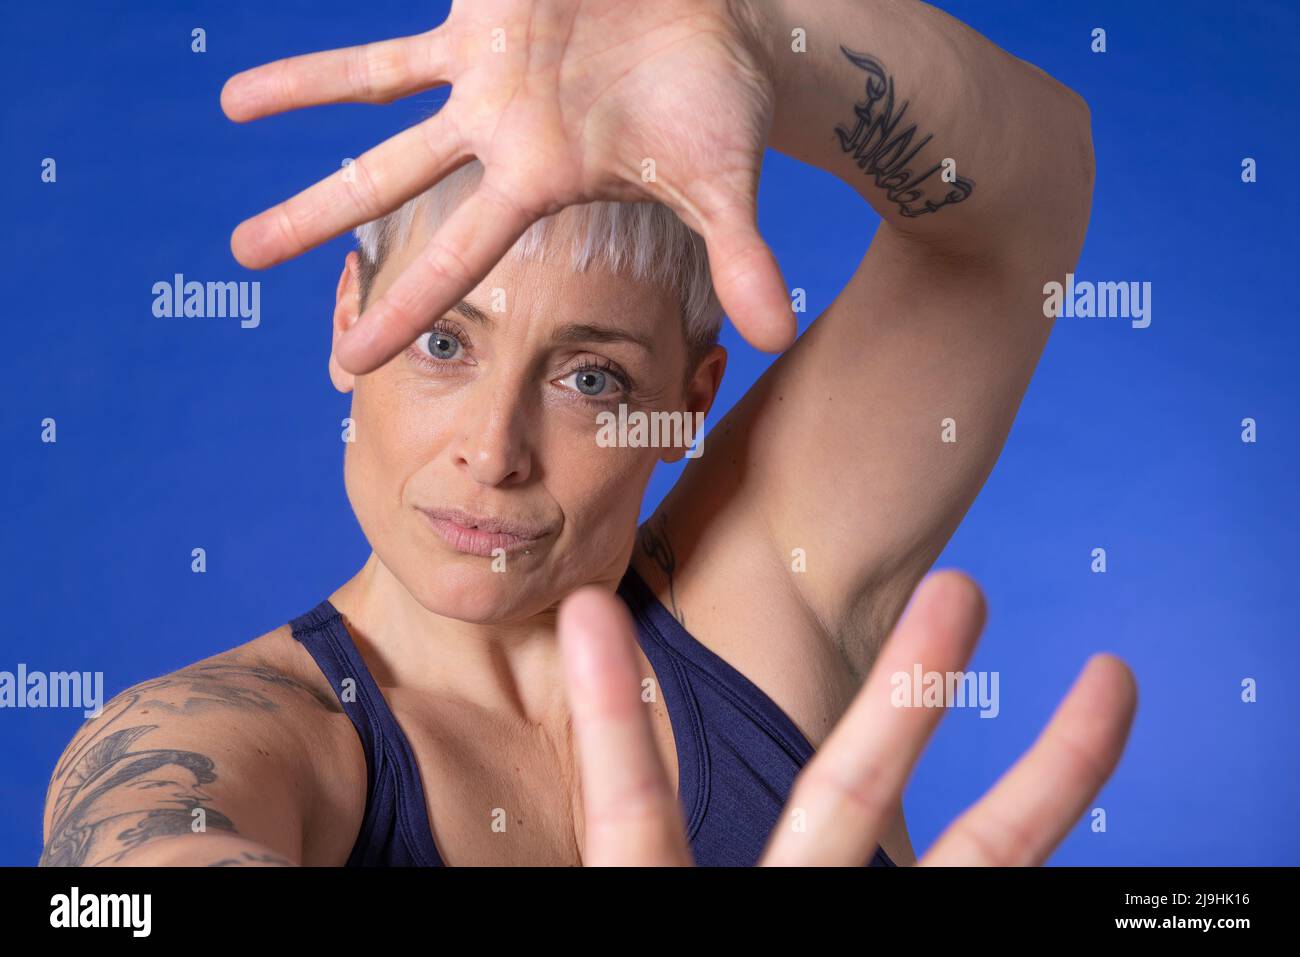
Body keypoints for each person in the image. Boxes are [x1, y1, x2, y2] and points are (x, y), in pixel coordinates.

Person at [40, 0, 1136, 867]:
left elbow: (1028, 192)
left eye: (591, 377)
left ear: (688, 403)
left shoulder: (768, 598)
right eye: (443, 342)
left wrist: (760, 39)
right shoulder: (238, 733)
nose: (492, 448)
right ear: (351, 321)